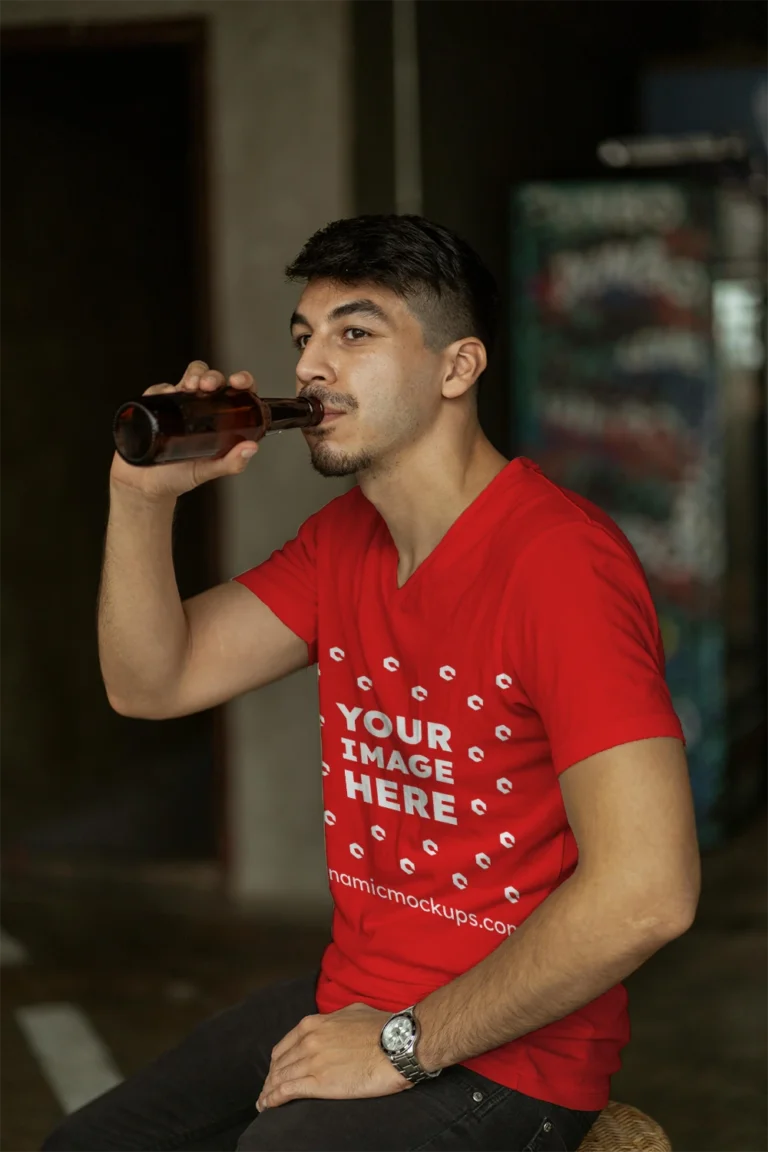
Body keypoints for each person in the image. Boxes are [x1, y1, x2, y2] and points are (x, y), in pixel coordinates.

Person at [47, 215, 700, 1152]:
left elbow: (649, 891)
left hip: (510, 1058)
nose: (312, 366)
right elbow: (153, 682)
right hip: (350, 994)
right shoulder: (342, 543)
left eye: (355, 334)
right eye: (304, 338)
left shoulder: (560, 567)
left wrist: (404, 1045)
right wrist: (141, 500)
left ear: (457, 367)